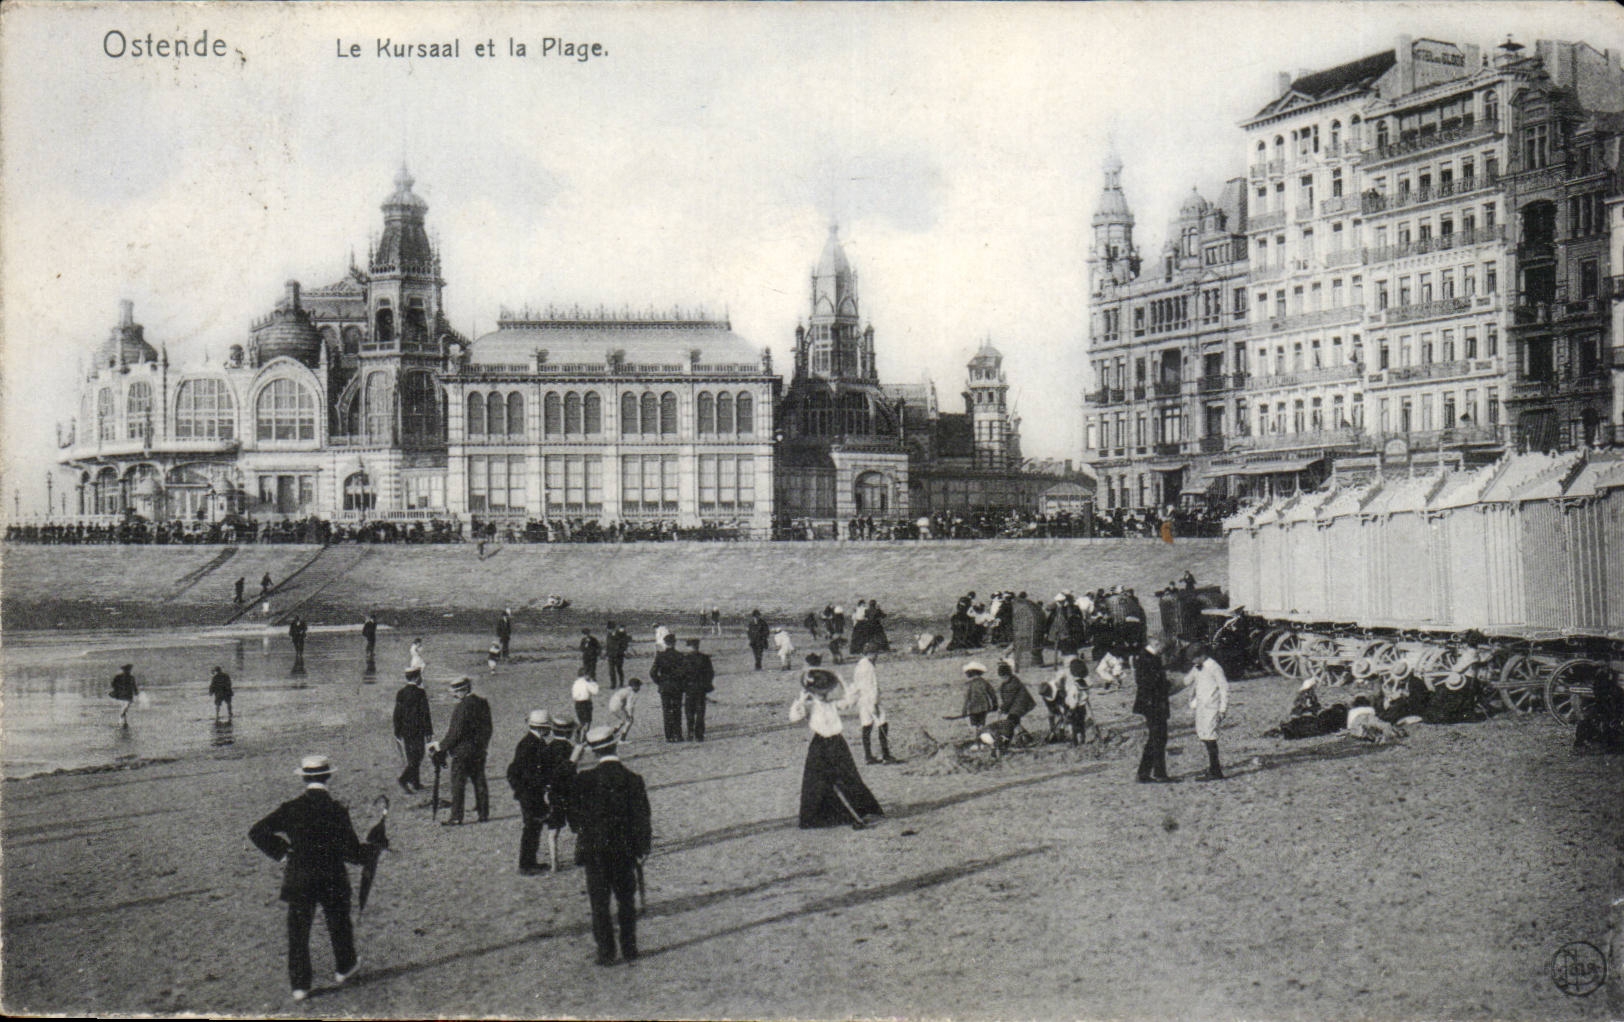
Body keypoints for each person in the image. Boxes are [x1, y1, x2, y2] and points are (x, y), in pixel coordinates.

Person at [248, 755, 373, 1001]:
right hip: (332, 876)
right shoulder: (337, 809)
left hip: (300, 875)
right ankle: (344, 967)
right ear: (328, 777)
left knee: (298, 931)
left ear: (304, 778)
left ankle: (300, 985)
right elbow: (351, 852)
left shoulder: (291, 808)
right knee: (338, 922)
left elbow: (257, 831)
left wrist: (283, 852)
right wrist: (371, 849)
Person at [566, 725, 652, 966]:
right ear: (615, 745)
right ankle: (629, 948)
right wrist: (643, 848)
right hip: (625, 850)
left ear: (593, 751)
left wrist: (573, 758)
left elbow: (565, 799)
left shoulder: (585, 780)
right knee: (626, 901)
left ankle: (606, 952)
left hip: (594, 850)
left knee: (599, 904)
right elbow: (642, 817)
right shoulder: (634, 780)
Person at [790, 656, 883, 829]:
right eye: (819, 691)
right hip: (819, 746)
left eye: (825, 690)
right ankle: (820, 816)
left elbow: (850, 701)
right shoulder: (810, 706)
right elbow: (794, 717)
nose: (823, 694)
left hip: (837, 744)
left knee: (848, 777)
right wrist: (801, 699)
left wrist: (841, 680)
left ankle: (861, 811)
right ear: (814, 691)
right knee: (817, 782)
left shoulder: (832, 704)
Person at [429, 677, 493, 825]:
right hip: (479, 750)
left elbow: (455, 734)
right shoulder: (482, 703)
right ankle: (483, 814)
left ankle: (456, 817)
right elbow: (488, 728)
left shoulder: (462, 707)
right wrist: (483, 745)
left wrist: (440, 746)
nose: (455, 695)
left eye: (456, 692)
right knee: (479, 781)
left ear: (463, 690)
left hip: (462, 753)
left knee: (458, 784)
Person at [507, 710, 557, 875]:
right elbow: (528, 773)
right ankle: (526, 864)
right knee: (531, 828)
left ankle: (530, 862)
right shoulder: (531, 745)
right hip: (530, 793)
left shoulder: (530, 742)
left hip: (528, 792)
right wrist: (544, 784)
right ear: (542, 728)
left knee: (534, 827)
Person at [1133, 636, 1175, 783]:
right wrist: (1167, 684)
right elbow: (1149, 682)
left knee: (1156, 737)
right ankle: (1157, 773)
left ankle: (1147, 772)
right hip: (1153, 703)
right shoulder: (1147, 658)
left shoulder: (1145, 656)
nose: (1162, 652)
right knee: (1158, 737)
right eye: (1162, 649)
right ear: (1156, 644)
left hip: (1151, 703)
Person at [1188, 643, 1229, 781]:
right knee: (1204, 735)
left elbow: (1224, 688)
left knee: (1211, 737)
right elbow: (1188, 680)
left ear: (1202, 655)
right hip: (1201, 707)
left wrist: (1223, 709)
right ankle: (1213, 767)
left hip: (1212, 707)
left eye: (1194, 658)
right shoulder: (1197, 667)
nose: (1193, 662)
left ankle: (1216, 771)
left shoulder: (1214, 667)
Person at [848, 650, 897, 765]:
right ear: (870, 654)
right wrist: (874, 703)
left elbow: (855, 684)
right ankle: (886, 755)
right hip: (871, 699)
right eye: (875, 654)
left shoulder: (859, 665)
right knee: (882, 724)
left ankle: (868, 756)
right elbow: (873, 686)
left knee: (866, 726)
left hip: (862, 700)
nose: (876, 656)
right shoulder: (869, 667)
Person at [393, 668, 433, 794]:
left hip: (405, 730)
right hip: (418, 730)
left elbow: (397, 713)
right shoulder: (420, 693)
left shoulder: (401, 693)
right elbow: (425, 713)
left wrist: (397, 731)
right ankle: (403, 779)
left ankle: (415, 783)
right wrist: (428, 731)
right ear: (416, 677)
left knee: (411, 756)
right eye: (420, 676)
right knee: (419, 755)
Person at [989, 662, 1038, 748]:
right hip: (1016, 705)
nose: (1003, 679)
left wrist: (1002, 708)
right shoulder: (1009, 682)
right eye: (1002, 677)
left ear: (1008, 675)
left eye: (1004, 677)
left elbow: (1009, 700)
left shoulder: (1012, 684)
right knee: (1015, 722)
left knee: (1011, 721)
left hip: (1021, 704)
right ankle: (1026, 739)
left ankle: (1023, 739)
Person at [650, 634, 686, 742]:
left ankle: (668, 736)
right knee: (677, 710)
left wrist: (660, 682)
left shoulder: (660, 656)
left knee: (666, 711)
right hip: (677, 687)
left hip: (665, 687)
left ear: (665, 643)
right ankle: (678, 735)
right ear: (674, 643)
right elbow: (685, 672)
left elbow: (652, 672)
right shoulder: (680, 656)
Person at [682, 638, 714, 742]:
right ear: (697, 646)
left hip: (689, 688)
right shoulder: (705, 658)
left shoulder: (685, 659)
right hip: (701, 688)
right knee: (700, 712)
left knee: (689, 711)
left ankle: (690, 733)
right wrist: (706, 683)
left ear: (689, 647)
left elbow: (681, 674)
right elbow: (710, 673)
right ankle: (699, 734)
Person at [958, 661, 997, 732]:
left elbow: (967, 698)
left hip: (973, 708)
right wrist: (995, 704)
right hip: (983, 707)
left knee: (974, 725)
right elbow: (992, 694)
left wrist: (964, 710)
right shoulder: (984, 682)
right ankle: (981, 735)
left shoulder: (970, 684)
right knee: (981, 724)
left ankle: (977, 736)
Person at [572, 671, 601, 736]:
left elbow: (574, 695)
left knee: (582, 721)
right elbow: (595, 692)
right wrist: (594, 683)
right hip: (586, 703)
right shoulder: (587, 683)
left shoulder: (575, 683)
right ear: (585, 675)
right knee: (588, 722)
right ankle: (585, 737)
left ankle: (578, 732)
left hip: (577, 703)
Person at [605, 622, 630, 689]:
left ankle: (621, 683)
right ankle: (613, 684)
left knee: (619, 669)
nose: (608, 630)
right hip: (611, 655)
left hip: (619, 655)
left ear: (612, 628)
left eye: (609, 629)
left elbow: (624, 643)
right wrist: (606, 653)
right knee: (611, 670)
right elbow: (608, 645)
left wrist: (624, 651)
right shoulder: (608, 635)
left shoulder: (620, 634)